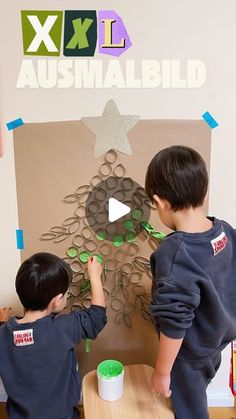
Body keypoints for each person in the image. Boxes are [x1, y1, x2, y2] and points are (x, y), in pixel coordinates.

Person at [145, 145, 236, 419]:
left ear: (159, 202)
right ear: (204, 192)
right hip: (216, 341)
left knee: (191, 408)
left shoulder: (174, 254)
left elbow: (175, 323)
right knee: (197, 390)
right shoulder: (224, 232)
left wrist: (162, 373)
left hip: (188, 355)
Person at [0, 252, 107, 419]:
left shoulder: (3, 334)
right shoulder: (62, 327)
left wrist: (3, 324)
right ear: (57, 300)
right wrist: (95, 276)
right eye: (66, 293)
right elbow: (97, 318)